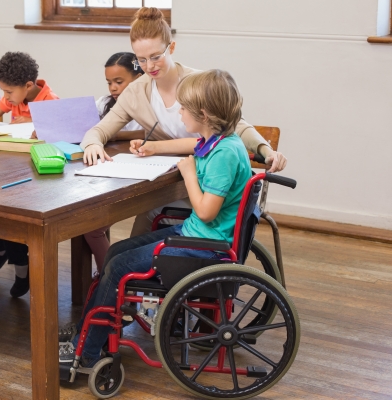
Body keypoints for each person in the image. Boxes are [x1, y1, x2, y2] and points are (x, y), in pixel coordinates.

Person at [60, 69, 253, 369]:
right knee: (115, 252)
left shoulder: (224, 155)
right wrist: (155, 147)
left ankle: (87, 351)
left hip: (206, 246)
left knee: (120, 267)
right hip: (200, 236)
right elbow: (190, 146)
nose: (179, 111)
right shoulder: (218, 141)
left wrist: (188, 173)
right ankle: (90, 332)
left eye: (184, 108)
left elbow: (205, 211)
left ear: (202, 114)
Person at [79, 7, 288, 237]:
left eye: (156, 56)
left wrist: (265, 149)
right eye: (141, 60)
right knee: (136, 223)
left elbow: (237, 125)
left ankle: (138, 267)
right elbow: (99, 130)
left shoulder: (199, 85)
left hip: (207, 188)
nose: (149, 67)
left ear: (172, 48)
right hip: (172, 183)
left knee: (144, 223)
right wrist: (93, 144)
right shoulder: (136, 92)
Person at [0, 51, 60, 297]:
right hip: (11, 165)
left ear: (28, 85)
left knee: (13, 218)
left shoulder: (50, 101)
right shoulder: (13, 98)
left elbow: (56, 138)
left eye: (8, 92)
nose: (6, 98)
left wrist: (28, 127)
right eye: (3, 92)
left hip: (38, 176)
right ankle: (0, 250)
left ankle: (22, 272)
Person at [84, 52, 146, 274]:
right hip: (109, 172)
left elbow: (150, 133)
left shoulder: (147, 106)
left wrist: (114, 135)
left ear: (140, 78)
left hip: (139, 177)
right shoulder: (105, 104)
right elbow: (93, 131)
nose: (113, 88)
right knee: (90, 226)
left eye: (119, 82)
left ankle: (112, 274)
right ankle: (107, 274)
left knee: (94, 228)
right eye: (109, 83)